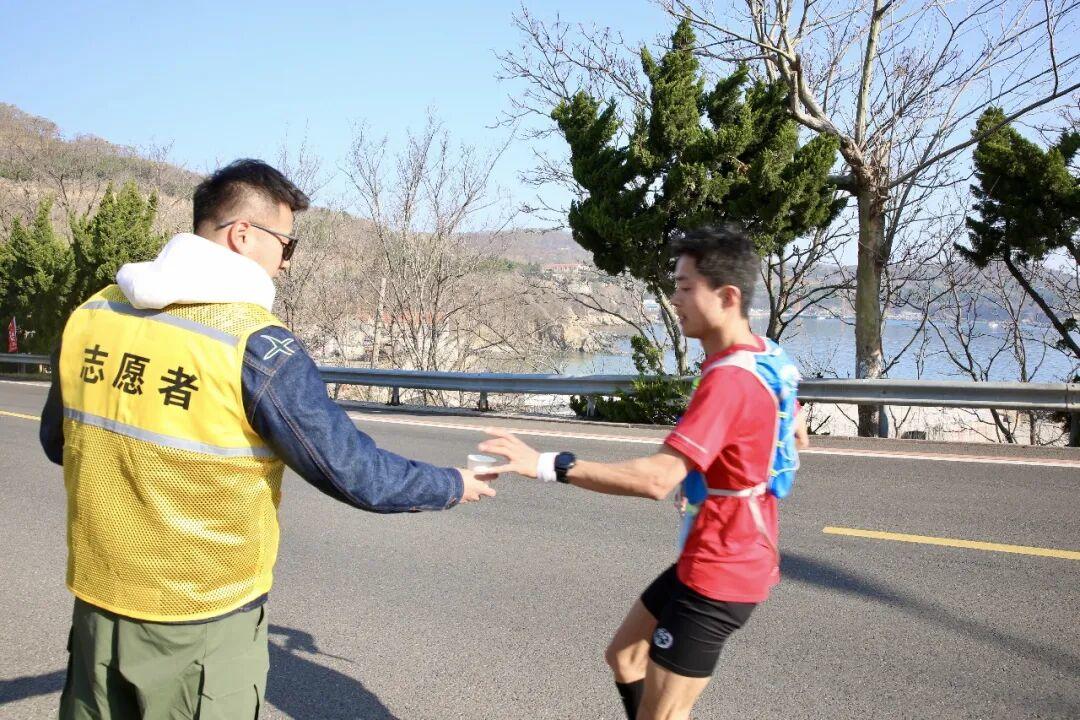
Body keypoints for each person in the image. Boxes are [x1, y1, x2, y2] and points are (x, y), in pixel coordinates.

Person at [39, 158, 496, 719]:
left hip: (97, 604)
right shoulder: (255, 345)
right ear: (241, 234)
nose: (284, 264)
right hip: (202, 619)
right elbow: (353, 470)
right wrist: (452, 484)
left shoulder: (92, 314)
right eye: (286, 245)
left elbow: (58, 442)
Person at [479, 224, 809, 720]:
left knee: (663, 715)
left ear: (728, 297)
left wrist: (547, 464)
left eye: (685, 287)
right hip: (713, 553)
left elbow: (656, 479)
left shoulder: (730, 380)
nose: (673, 299)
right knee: (625, 657)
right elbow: (796, 428)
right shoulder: (766, 354)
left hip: (723, 569)